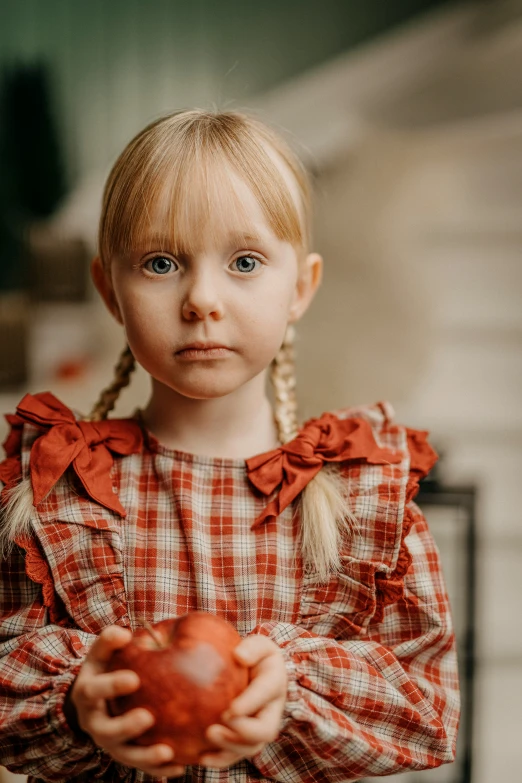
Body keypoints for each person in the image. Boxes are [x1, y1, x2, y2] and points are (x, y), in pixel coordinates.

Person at [0, 109, 460, 783]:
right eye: (160, 262)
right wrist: (75, 700)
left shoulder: (361, 494)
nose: (202, 299)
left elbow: (426, 709)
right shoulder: (57, 489)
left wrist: (290, 690)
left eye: (245, 261)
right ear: (110, 291)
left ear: (301, 287)